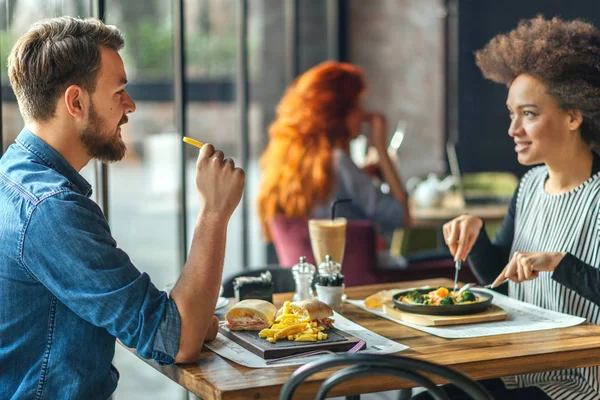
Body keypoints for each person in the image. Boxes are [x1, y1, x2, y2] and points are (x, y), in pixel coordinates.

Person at [0, 16, 244, 399]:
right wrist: (215, 211)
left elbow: (166, 322)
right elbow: (176, 339)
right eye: (118, 93)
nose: (129, 106)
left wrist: (187, 320)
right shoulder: (51, 210)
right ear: (76, 102)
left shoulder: (12, 177)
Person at [432, 16, 600, 400]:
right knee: (431, 394)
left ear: (574, 116)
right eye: (512, 113)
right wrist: (476, 238)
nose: (513, 129)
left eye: (529, 114)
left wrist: (559, 263)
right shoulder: (528, 187)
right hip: (522, 365)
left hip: (579, 381)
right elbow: (501, 280)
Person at [257, 61, 411, 242]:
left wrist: (360, 174)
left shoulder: (285, 164)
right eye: (356, 106)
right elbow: (401, 218)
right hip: (349, 270)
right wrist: (381, 149)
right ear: (336, 113)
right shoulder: (338, 162)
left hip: (302, 269)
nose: (363, 114)